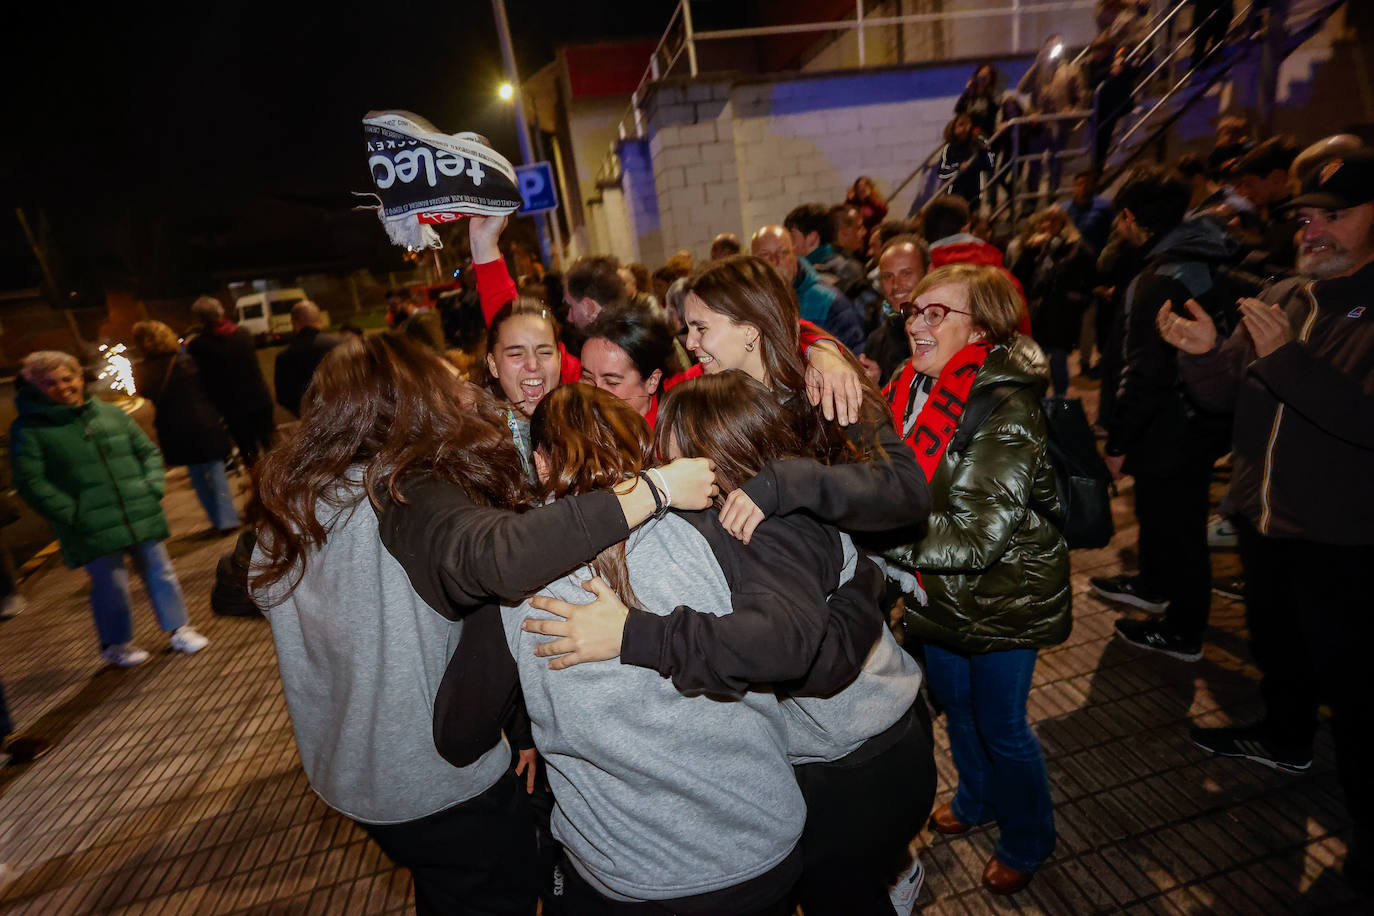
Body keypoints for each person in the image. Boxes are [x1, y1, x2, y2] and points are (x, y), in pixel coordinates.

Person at [248, 333, 717, 916]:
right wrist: (657, 488)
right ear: (414, 404)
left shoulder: (293, 500)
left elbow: (240, 583)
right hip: (437, 781)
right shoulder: (406, 496)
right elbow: (503, 557)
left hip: (346, 776)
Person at [516, 378, 933, 914]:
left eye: (672, 450)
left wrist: (633, 634)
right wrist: (867, 583)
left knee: (843, 896)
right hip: (889, 732)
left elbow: (810, 660)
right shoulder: (782, 491)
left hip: (850, 767)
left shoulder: (747, 525)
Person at [1158, 149, 1374, 896]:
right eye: (1305, 215)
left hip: (1346, 539)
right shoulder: (1286, 293)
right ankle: (1284, 740)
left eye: (1335, 213)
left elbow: (1361, 417)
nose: (1313, 229)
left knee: (1356, 699)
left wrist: (1286, 362)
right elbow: (1229, 397)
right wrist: (1205, 356)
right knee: (1278, 650)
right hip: (1267, 520)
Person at [879, 263, 1070, 896]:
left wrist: (875, 537)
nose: (918, 324)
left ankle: (1028, 837)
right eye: (915, 311)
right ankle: (976, 797)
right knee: (957, 709)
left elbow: (977, 538)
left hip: (1004, 594)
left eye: (938, 313)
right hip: (939, 593)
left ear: (982, 328)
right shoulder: (910, 387)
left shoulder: (1006, 403)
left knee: (1003, 725)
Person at [1091, 167, 1235, 658]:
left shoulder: (1159, 277)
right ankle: (1153, 585)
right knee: (1163, 515)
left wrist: (1117, 442)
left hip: (1171, 425)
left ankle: (1183, 629)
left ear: (1130, 217)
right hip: (1195, 417)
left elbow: (1144, 370)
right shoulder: (1202, 253)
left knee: (1182, 528)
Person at [9, 351, 209, 667]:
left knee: (162, 572)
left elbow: (148, 452)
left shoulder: (110, 414)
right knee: (111, 584)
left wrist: (152, 487)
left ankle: (180, 628)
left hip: (136, 509)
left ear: (79, 378)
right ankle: (116, 644)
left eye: (67, 378)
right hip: (90, 523)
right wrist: (72, 513)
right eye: (49, 383)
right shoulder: (29, 429)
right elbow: (31, 482)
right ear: (35, 387)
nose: (62, 387)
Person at [130, 320, 240, 534]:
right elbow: (210, 386)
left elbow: (144, 393)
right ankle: (228, 519)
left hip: (172, 427)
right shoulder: (188, 360)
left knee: (197, 475)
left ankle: (217, 521)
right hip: (203, 422)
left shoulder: (141, 369)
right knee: (216, 472)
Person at [1011, 206, 1098, 395]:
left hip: (1062, 316)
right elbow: (1018, 275)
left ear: (1064, 223)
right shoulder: (1038, 247)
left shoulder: (1077, 247)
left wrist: (1077, 301)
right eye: (1045, 220)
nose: (1047, 225)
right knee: (1034, 362)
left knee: (1058, 360)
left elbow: (1090, 279)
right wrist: (1029, 250)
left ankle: (1058, 404)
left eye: (1052, 220)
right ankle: (1037, 402)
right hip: (1038, 314)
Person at [185, 295, 276, 466]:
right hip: (260, 399)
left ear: (199, 319)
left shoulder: (198, 346)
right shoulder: (243, 333)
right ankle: (285, 485)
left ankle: (259, 487)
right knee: (272, 446)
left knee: (249, 452)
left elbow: (202, 379)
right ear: (221, 312)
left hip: (233, 407)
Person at [750, 225, 867, 354]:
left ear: (794, 253)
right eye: (765, 255)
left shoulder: (828, 301)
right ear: (753, 261)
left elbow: (856, 355)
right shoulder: (748, 305)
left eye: (783, 252)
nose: (775, 261)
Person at [483, 299, 563, 480]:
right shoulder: (477, 441)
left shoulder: (584, 423)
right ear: (494, 365)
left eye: (544, 352)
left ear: (559, 359)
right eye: (516, 354)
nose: (533, 365)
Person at [579, 305, 678, 426]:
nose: (595, 394)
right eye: (587, 377)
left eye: (611, 382)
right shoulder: (575, 423)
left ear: (652, 381)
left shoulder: (673, 435)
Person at [861, 235, 929, 386]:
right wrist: (875, 387)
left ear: (928, 272)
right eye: (887, 276)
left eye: (906, 273)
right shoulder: (877, 340)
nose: (896, 285)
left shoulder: (946, 332)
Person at [274, 300, 341, 417]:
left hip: (308, 418)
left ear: (295, 322)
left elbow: (283, 397)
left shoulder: (284, 356)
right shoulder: (338, 346)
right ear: (319, 320)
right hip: (340, 414)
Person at [935, 114, 992, 205]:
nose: (965, 128)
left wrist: (983, 151)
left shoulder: (977, 143)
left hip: (974, 193)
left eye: (968, 124)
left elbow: (989, 165)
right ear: (954, 128)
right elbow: (941, 172)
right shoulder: (949, 148)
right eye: (961, 125)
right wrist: (957, 168)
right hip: (955, 194)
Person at [955, 63, 1000, 138]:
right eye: (982, 74)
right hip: (968, 131)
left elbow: (991, 118)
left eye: (987, 75)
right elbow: (958, 109)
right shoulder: (969, 94)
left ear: (990, 79)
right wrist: (966, 90)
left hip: (983, 132)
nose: (983, 78)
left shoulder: (991, 96)